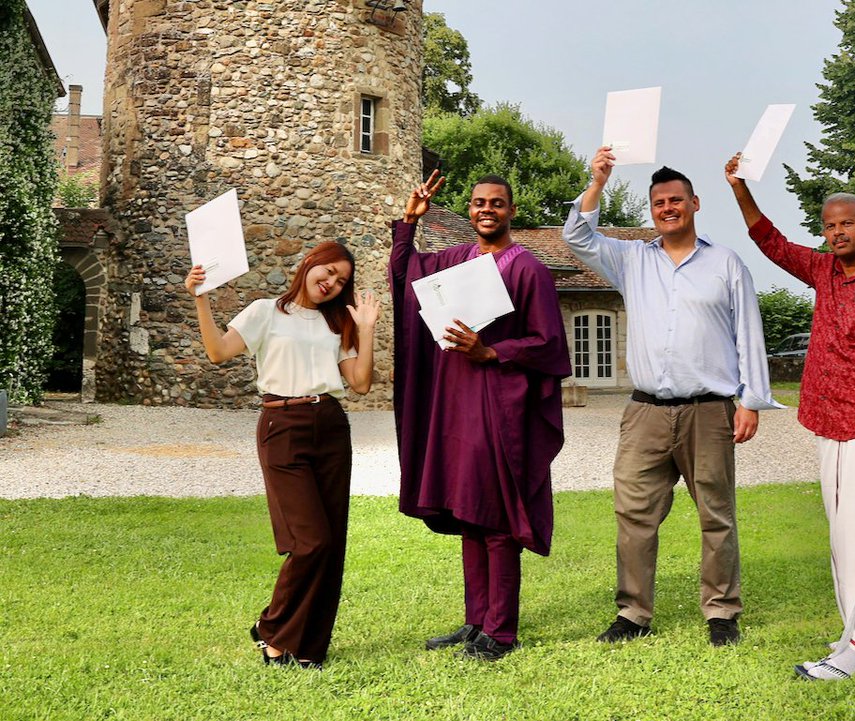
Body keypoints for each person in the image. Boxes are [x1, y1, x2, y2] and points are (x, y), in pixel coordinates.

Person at [562, 147, 782, 647]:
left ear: (695, 204)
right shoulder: (630, 259)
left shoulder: (725, 263)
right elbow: (575, 236)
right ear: (652, 210)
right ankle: (633, 613)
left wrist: (751, 400)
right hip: (644, 413)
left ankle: (721, 612)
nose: (668, 207)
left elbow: (749, 333)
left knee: (716, 513)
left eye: (676, 199)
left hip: (710, 410)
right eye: (659, 201)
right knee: (634, 514)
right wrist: (596, 182)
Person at [725, 153, 855, 680]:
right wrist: (740, 187)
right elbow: (770, 241)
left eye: (847, 223)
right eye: (829, 225)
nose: (838, 232)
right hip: (826, 415)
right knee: (843, 530)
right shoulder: (821, 270)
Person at [389, 170, 571, 661]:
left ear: (511, 211)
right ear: (469, 210)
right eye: (477, 203)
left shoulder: (526, 269)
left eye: (496, 203)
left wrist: (492, 352)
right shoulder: (456, 261)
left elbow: (550, 344)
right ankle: (476, 622)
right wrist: (409, 221)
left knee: (496, 519)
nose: (486, 209)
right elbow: (405, 277)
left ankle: (501, 631)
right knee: (469, 514)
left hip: (498, 407)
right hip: (455, 405)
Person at [185, 242, 380, 670]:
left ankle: (307, 645)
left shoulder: (337, 323)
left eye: (341, 281)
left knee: (331, 544)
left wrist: (365, 331)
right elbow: (218, 351)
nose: (331, 283)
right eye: (327, 271)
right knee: (311, 541)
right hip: (282, 426)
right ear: (309, 263)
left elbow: (361, 383)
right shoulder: (264, 311)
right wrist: (200, 298)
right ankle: (272, 629)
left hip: (330, 426)